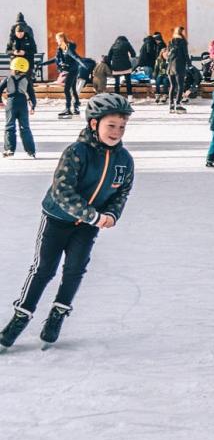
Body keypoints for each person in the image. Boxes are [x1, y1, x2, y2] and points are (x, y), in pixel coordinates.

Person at [0, 94, 135, 350]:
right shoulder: (76, 152)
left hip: (86, 227)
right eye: (111, 125)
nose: (116, 132)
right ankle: (21, 315)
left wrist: (112, 215)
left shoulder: (124, 160)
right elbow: (62, 191)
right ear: (94, 124)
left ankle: (58, 313)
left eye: (121, 127)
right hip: (57, 220)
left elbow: (122, 192)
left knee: (75, 269)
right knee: (44, 269)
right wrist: (93, 215)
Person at [2, 57, 37, 157]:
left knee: (10, 127)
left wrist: (2, 101)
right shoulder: (27, 80)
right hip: (22, 104)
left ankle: (9, 149)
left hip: (11, 103)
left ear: (13, 68)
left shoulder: (7, 79)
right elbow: (31, 95)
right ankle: (31, 151)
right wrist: (33, 106)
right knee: (25, 127)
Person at [44, 32, 83, 118]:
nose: (57, 41)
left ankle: (68, 109)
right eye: (57, 39)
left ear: (62, 39)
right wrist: (44, 63)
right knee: (73, 88)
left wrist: (82, 63)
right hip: (71, 70)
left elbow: (74, 57)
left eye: (58, 39)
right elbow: (56, 59)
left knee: (67, 89)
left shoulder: (66, 46)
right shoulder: (62, 47)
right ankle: (76, 107)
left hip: (72, 70)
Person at [167, 27, 190, 113]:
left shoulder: (171, 41)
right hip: (179, 66)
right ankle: (178, 104)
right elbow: (185, 54)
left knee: (172, 86)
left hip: (170, 67)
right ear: (181, 32)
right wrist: (190, 65)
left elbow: (168, 54)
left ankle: (171, 106)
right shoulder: (182, 42)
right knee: (180, 86)